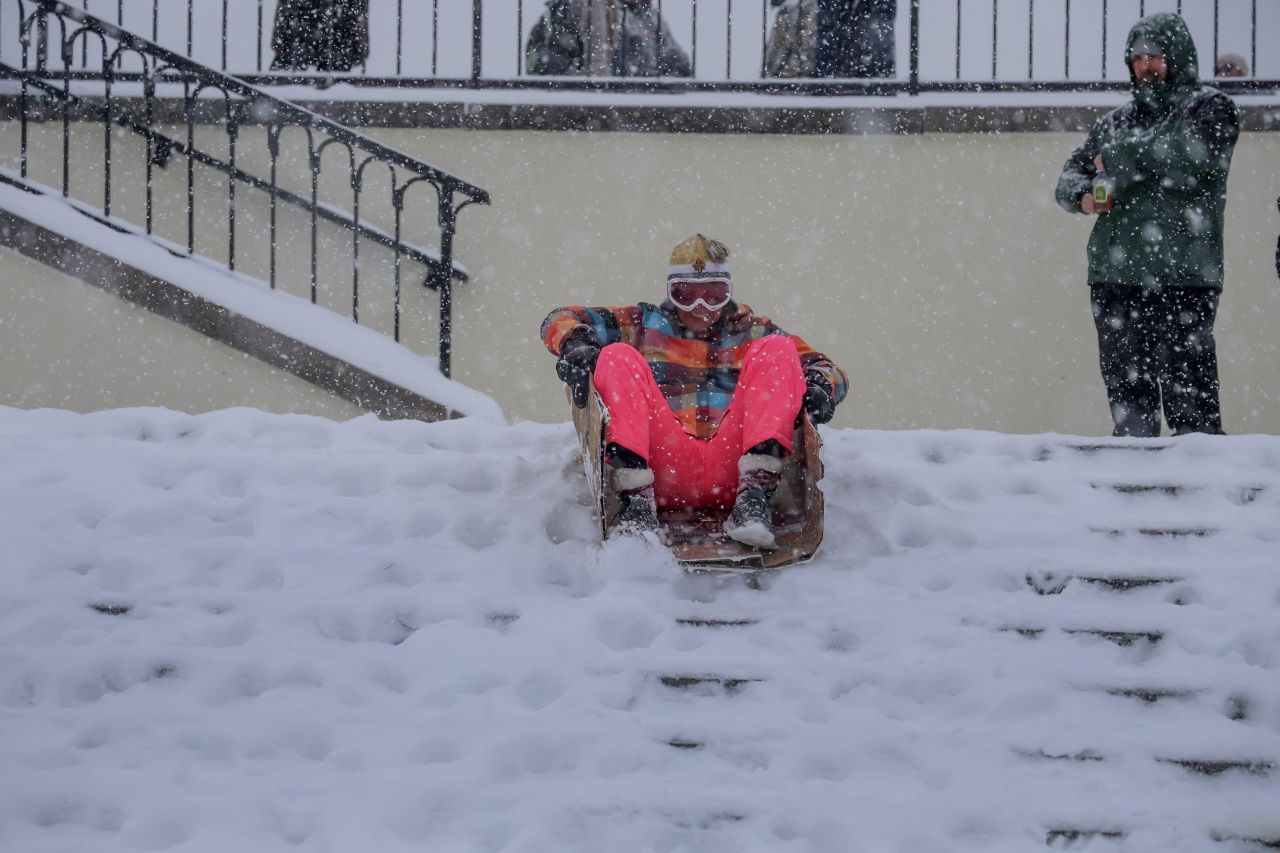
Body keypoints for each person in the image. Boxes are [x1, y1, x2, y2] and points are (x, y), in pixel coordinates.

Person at [540, 234, 847, 548]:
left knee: (778, 349)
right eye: (687, 294)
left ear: (727, 292)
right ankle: (636, 505)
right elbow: (558, 318)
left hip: (735, 465)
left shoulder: (754, 331)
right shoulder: (643, 324)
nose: (701, 308)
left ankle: (754, 499)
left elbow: (827, 369)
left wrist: (822, 388)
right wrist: (575, 343)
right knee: (617, 356)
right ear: (671, 292)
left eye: (713, 294)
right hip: (663, 467)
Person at [1054, 13, 1238, 438]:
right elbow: (1068, 178)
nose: (1146, 66)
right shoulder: (1115, 120)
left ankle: (1202, 495)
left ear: (1177, 57)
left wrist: (1118, 157)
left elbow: (1186, 154)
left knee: (1193, 413)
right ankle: (1132, 494)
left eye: (1155, 56)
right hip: (1115, 279)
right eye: (1137, 58)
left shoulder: (1211, 109)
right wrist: (1083, 196)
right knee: (1130, 413)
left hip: (1183, 278)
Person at [526, 0, 692, 78]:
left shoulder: (645, 14)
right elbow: (538, 59)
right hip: (584, 120)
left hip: (638, 120)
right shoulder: (571, 7)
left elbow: (678, 65)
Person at [271, 0, 369, 73]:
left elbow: (283, 14)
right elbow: (358, 20)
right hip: (336, 42)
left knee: (287, 80)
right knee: (337, 83)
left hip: (302, 40)